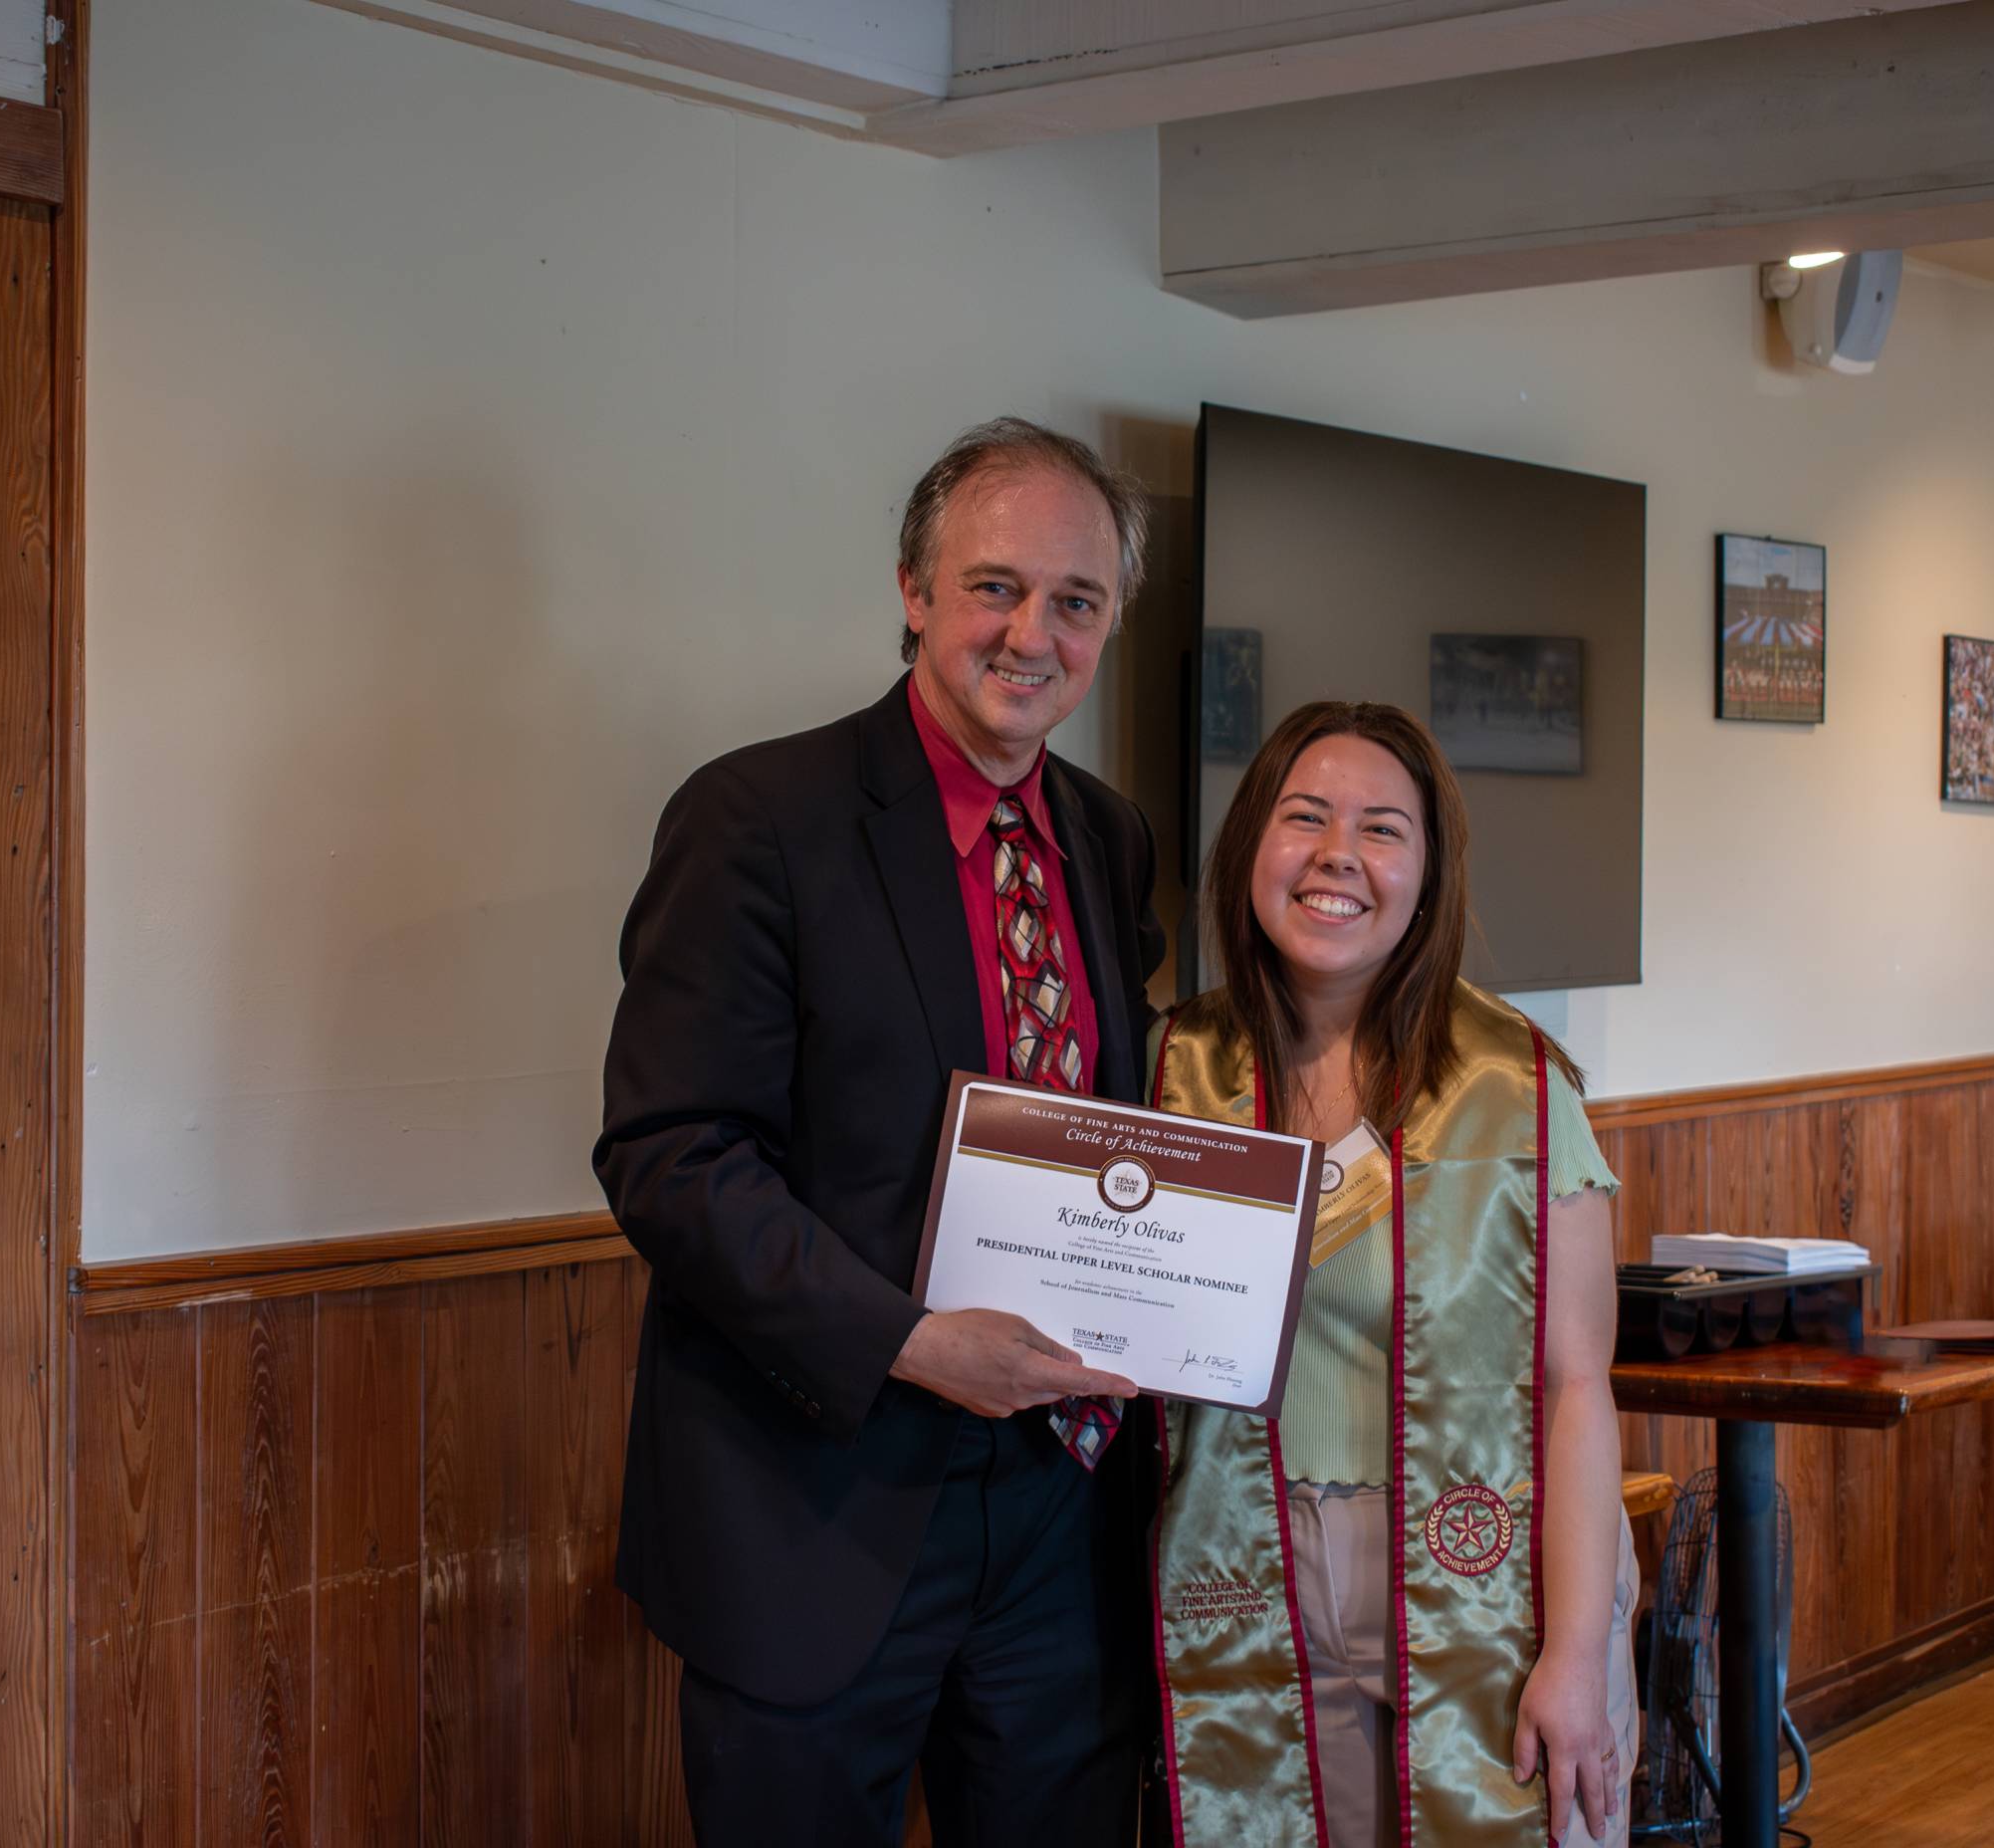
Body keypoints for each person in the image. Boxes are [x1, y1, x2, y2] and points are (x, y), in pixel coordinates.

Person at [595, 417, 1169, 1847]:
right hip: (818, 1511)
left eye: (1077, 601)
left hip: (1062, 1512)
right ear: (914, 591)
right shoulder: (756, 819)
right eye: (995, 587)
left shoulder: (1110, 837)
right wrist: (915, 1342)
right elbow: (671, 1155)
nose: (1032, 633)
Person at [1145, 700, 1639, 1847]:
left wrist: (1572, 1655)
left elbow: (1578, 1387)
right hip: (1250, 1563)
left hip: (1491, 1570)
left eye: (1383, 829)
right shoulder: (1175, 1072)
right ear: (1249, 852)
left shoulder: (1515, 1087)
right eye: (1304, 816)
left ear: (1429, 872)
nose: (1337, 857)